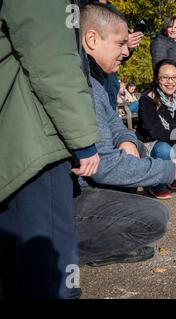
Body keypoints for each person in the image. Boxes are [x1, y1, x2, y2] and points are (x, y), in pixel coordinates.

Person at [76, 4, 176, 268]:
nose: (127, 51)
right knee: (154, 217)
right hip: (69, 196)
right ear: (91, 39)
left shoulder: (95, 84)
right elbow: (105, 165)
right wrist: (170, 171)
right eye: (121, 43)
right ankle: (73, 250)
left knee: (136, 161)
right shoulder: (83, 88)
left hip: (95, 179)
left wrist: (127, 141)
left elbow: (120, 127)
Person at [0, 0, 100, 299]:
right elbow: (53, 61)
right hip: (35, 139)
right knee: (52, 271)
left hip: (13, 140)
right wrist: (83, 141)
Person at [136, 60, 176, 199]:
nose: (170, 81)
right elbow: (155, 132)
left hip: (172, 138)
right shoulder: (147, 99)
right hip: (150, 143)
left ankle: (171, 176)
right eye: (165, 77)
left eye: (174, 77)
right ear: (157, 79)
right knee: (164, 149)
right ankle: (156, 184)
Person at [150, 16, 176, 133]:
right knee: (174, 127)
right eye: (170, 27)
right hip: (170, 89)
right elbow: (159, 66)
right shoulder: (160, 42)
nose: (173, 30)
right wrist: (173, 80)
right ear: (165, 28)